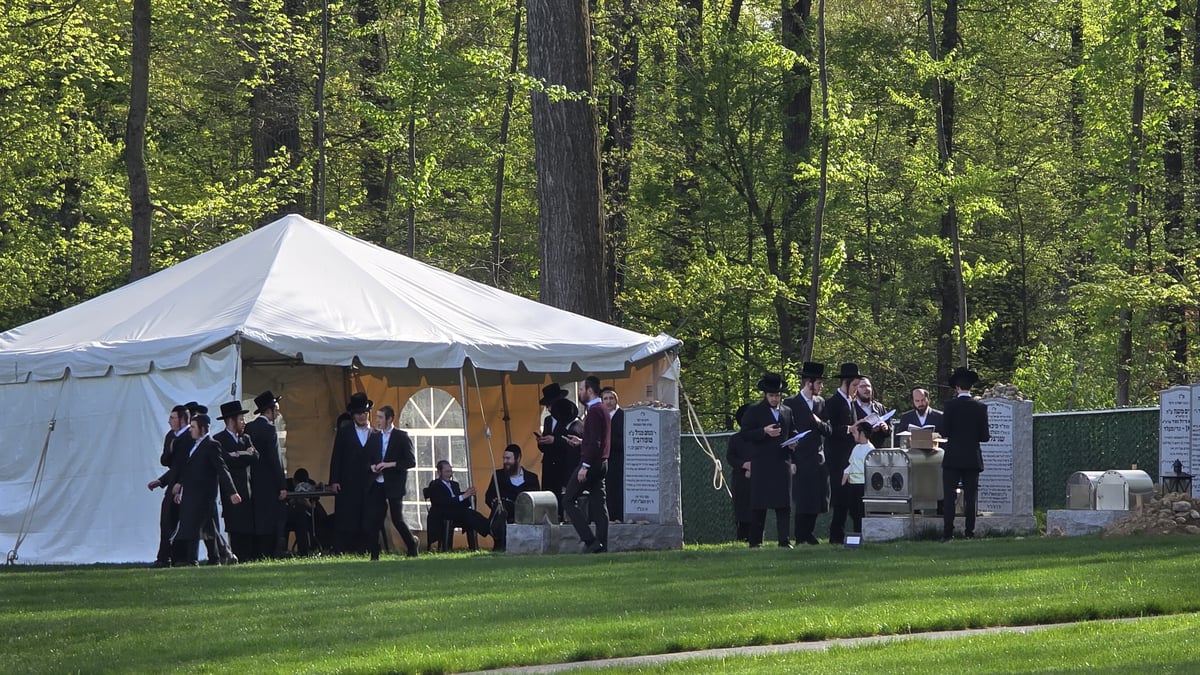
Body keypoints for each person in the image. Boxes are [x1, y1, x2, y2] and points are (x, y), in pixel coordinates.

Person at [159, 413, 242, 565]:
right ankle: (216, 557)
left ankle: (193, 560)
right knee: (207, 528)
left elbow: (222, 469)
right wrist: (180, 487)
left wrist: (232, 491)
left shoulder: (211, 445)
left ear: (202, 429)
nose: (190, 430)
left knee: (194, 527)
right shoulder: (194, 446)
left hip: (204, 494)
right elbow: (188, 470)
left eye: (193, 427)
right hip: (192, 493)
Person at [740, 372, 799, 548]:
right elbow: (744, 434)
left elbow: (793, 430)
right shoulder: (754, 411)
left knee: (784, 504)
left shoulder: (787, 411)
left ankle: (784, 540)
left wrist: (794, 441)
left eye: (777, 395)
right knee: (759, 504)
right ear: (765, 395)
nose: (774, 399)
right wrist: (763, 432)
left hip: (782, 462)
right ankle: (755, 541)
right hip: (762, 463)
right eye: (771, 395)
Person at [936, 367, 990, 541]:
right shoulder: (980, 407)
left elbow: (944, 432)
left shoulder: (950, 406)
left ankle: (948, 533)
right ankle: (969, 532)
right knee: (970, 497)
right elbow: (985, 436)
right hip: (971, 458)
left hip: (952, 457)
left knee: (950, 496)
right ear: (970, 388)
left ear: (957, 388)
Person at [783, 362, 832, 545]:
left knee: (818, 497)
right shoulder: (791, 403)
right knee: (803, 498)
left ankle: (809, 531)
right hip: (799, 457)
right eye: (818, 382)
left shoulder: (821, 403)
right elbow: (787, 431)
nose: (821, 386)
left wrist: (818, 422)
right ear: (808, 382)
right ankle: (800, 534)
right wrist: (792, 459)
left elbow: (828, 429)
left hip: (817, 456)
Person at [329, 392, 383, 556]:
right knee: (348, 515)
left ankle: (366, 548)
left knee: (368, 515)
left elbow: (379, 458)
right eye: (359, 413)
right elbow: (336, 456)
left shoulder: (376, 434)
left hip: (369, 483)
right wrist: (334, 480)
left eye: (365, 413)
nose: (362, 416)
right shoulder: (345, 433)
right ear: (353, 415)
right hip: (348, 480)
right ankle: (345, 548)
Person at [563, 375, 611, 553]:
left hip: (591, 463)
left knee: (568, 500)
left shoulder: (594, 411)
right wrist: (581, 441)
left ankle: (590, 540)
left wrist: (585, 466)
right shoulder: (603, 410)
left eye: (581, 389)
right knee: (599, 505)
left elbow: (596, 442)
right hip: (602, 463)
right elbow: (595, 440)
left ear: (590, 391)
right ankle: (602, 545)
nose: (580, 393)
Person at [244, 390, 288, 560]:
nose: (277, 413)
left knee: (257, 516)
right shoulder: (269, 430)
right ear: (269, 410)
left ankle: (257, 551)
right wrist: (282, 485)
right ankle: (269, 551)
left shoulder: (249, 427)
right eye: (276, 409)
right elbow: (275, 459)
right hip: (268, 481)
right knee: (270, 517)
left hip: (253, 479)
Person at [212, 400, 258, 561]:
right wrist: (244, 454)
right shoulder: (219, 440)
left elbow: (255, 456)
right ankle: (235, 556)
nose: (244, 423)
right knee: (235, 527)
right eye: (241, 419)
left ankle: (248, 556)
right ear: (231, 421)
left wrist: (239, 454)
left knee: (248, 526)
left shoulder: (246, 438)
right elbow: (225, 461)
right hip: (231, 491)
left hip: (247, 489)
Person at [147, 404, 192, 567]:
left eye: (172, 418)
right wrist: (161, 481)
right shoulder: (170, 436)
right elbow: (167, 462)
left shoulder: (190, 436)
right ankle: (164, 558)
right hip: (172, 483)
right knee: (166, 521)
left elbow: (188, 465)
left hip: (186, 485)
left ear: (181, 419)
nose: (169, 421)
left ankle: (182, 558)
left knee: (184, 524)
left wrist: (182, 483)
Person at [373, 405, 420, 557]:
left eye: (381, 417)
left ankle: (412, 545)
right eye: (377, 417)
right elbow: (368, 457)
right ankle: (375, 552)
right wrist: (372, 466)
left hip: (394, 483)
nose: (377, 420)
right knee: (376, 518)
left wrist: (389, 464)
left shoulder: (401, 436)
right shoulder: (375, 436)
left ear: (389, 419)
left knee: (396, 518)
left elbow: (410, 461)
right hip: (377, 482)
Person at [821, 362, 860, 544]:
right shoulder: (832, 403)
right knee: (840, 497)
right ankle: (836, 535)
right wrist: (848, 429)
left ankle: (852, 533)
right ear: (845, 383)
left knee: (850, 497)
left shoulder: (850, 402)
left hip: (850, 455)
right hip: (837, 456)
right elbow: (829, 429)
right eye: (854, 386)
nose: (856, 390)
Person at [535, 383, 579, 522]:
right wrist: (542, 442)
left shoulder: (569, 417)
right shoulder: (548, 421)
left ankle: (564, 518)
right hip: (549, 463)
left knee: (563, 495)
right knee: (549, 494)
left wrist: (555, 440)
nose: (549, 408)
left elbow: (572, 440)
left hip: (564, 463)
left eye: (550, 405)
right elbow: (546, 444)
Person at [425, 460, 492, 551]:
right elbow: (445, 502)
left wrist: (469, 497)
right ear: (439, 472)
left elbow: (459, 501)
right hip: (442, 513)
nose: (450, 474)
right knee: (467, 514)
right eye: (447, 472)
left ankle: (489, 528)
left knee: (471, 514)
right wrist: (464, 496)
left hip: (456, 512)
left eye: (451, 471)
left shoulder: (454, 485)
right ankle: (489, 528)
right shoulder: (436, 485)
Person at [484, 444, 541, 551]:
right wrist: (494, 502)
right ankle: (499, 541)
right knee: (502, 508)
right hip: (502, 509)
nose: (505, 461)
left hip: (524, 511)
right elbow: (489, 496)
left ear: (518, 458)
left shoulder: (531, 478)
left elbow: (536, 498)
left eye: (508, 458)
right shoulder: (498, 476)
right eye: (504, 458)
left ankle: (495, 532)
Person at [724, 403, 755, 541]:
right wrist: (744, 465)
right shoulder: (735, 439)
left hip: (758, 478)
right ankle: (742, 536)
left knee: (757, 508)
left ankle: (756, 537)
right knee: (742, 508)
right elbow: (730, 457)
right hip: (741, 479)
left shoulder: (759, 437)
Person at [842, 421, 875, 535]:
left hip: (863, 485)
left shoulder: (870, 450)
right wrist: (845, 476)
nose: (853, 435)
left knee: (861, 511)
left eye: (855, 432)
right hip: (853, 484)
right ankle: (856, 534)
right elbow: (851, 464)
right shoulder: (856, 448)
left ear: (862, 434)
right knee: (853, 511)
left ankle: (862, 534)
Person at [600, 387, 625, 521]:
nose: (609, 401)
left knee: (617, 489)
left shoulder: (622, 415)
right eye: (605, 398)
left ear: (616, 400)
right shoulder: (600, 416)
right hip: (603, 461)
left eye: (611, 398)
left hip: (617, 459)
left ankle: (618, 516)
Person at [850, 377, 891, 448]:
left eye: (868, 386)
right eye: (862, 386)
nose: (866, 389)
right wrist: (869, 429)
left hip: (878, 451)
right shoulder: (852, 407)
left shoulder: (879, 407)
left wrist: (886, 429)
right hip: (860, 451)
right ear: (856, 389)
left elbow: (890, 428)